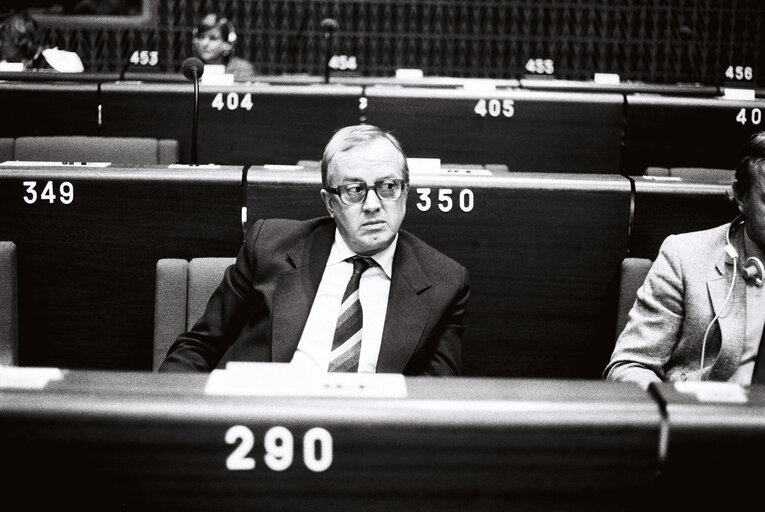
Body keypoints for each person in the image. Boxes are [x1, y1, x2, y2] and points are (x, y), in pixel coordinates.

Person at [159, 124, 470, 375]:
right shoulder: (270, 245)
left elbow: (436, 396)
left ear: (405, 191)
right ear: (329, 202)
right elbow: (198, 348)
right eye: (354, 190)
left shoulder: (444, 281)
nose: (374, 205)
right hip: (257, 423)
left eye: (388, 187)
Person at [605, 131, 765, 388]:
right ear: (741, 196)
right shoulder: (684, 257)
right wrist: (677, 408)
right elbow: (630, 366)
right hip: (709, 418)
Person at [0, 11, 83, 72]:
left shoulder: (62, 60)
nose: (0, 45)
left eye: (3, 39)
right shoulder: (5, 66)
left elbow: (75, 68)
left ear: (20, 41)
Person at [192, 13, 255, 82]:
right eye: (201, 37)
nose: (204, 43)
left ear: (228, 44)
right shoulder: (192, 68)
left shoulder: (241, 70)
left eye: (213, 38)